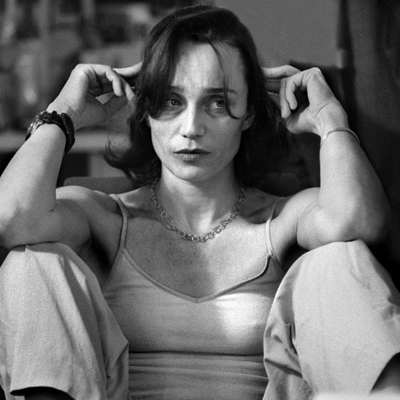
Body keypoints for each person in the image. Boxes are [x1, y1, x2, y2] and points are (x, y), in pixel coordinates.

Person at [0, 4, 399, 400]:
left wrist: (330, 120)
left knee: (340, 257)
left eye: (218, 102)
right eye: (172, 101)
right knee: (33, 259)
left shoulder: (283, 219)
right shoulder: (104, 217)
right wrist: (63, 113)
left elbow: (360, 220)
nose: (191, 128)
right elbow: (11, 217)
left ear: (248, 113)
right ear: (146, 109)